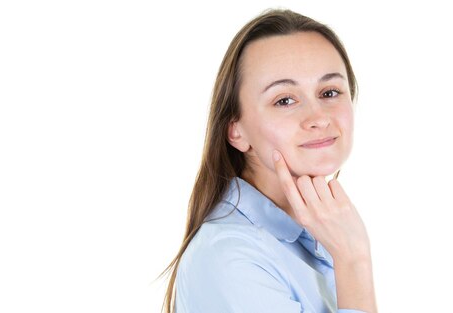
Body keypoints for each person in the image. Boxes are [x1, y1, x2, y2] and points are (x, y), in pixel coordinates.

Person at [161, 9, 378, 313]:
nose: (318, 118)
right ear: (236, 131)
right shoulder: (230, 257)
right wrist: (354, 261)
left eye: (329, 92)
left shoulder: (319, 236)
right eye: (284, 100)